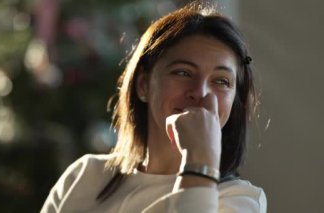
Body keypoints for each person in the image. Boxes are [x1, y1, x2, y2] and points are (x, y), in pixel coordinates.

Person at [41, 3, 267, 213]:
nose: (200, 92)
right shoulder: (84, 176)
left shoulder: (241, 200)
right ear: (143, 85)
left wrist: (200, 161)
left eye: (221, 81)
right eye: (183, 72)